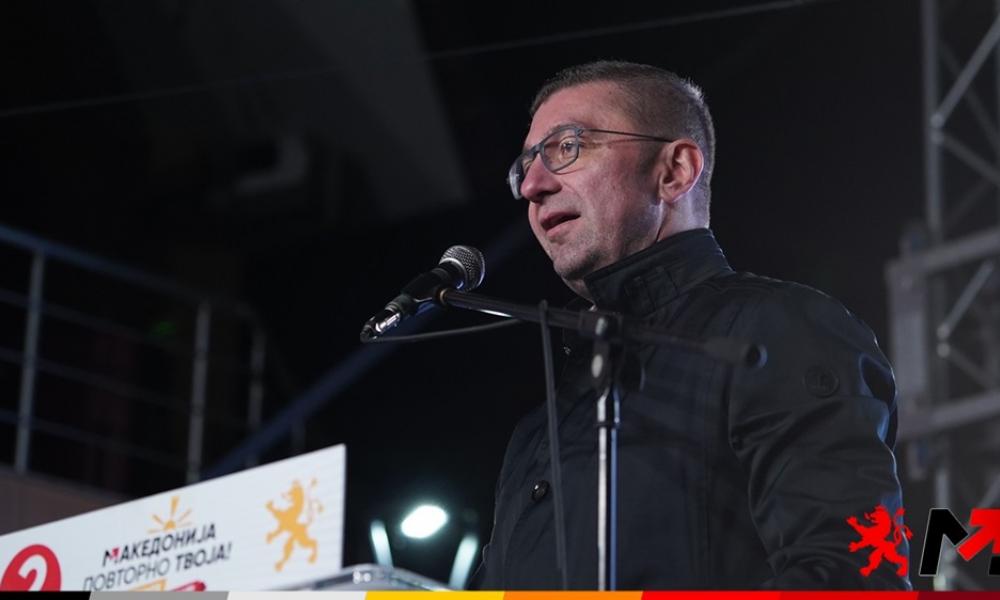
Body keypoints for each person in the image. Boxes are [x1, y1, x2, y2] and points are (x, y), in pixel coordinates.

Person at [469, 61, 909, 590]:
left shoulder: (775, 331)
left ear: (674, 171)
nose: (533, 185)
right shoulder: (538, 430)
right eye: (525, 166)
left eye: (567, 147)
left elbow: (853, 579)